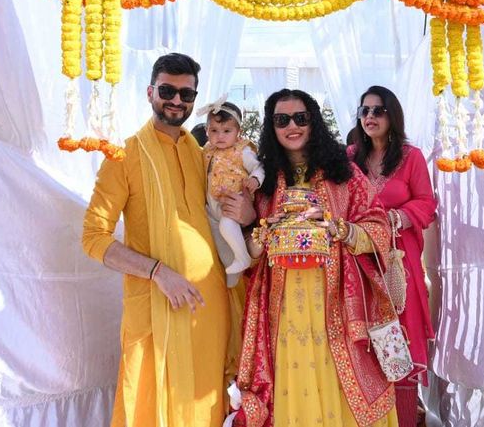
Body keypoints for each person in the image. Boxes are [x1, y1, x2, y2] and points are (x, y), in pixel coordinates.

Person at [82, 53, 256, 427]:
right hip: (159, 307)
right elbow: (93, 238)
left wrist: (247, 212)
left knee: (206, 403)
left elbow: (222, 215)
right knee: (152, 407)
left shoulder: (201, 155)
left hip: (209, 311)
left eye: (186, 94)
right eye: (167, 90)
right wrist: (158, 272)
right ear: (150, 92)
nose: (177, 100)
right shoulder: (123, 155)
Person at [234, 89, 399, 427]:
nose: (291, 126)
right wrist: (264, 230)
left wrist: (338, 228)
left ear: (313, 123)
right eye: (282, 120)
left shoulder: (343, 174)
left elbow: (379, 226)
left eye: (300, 118)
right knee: (294, 380)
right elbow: (250, 254)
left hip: (335, 302)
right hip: (283, 309)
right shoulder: (264, 183)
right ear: (272, 127)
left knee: (336, 376)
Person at [349, 86, 436, 426]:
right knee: (364, 339)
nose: (370, 117)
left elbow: (427, 203)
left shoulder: (410, 157)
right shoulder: (349, 157)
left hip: (398, 262)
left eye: (378, 111)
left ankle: (402, 418)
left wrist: (396, 218)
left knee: (399, 337)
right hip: (358, 262)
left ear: (392, 116)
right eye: (365, 110)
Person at [197, 98, 264, 285]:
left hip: (234, 203)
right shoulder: (206, 151)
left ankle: (242, 258)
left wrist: (255, 179)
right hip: (212, 204)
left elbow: (259, 167)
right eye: (214, 131)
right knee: (217, 239)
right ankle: (229, 271)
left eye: (227, 131)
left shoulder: (242, 151)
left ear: (238, 132)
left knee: (227, 227)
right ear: (207, 131)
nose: (220, 136)